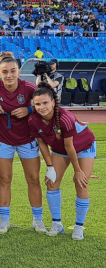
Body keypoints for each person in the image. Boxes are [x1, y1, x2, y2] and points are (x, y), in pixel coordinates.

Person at [0, 52, 45, 234]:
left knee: (33, 179)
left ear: (19, 71)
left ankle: (38, 220)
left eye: (13, 71)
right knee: (4, 179)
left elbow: (45, 102)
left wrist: (29, 109)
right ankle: (4, 221)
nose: (9, 75)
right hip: (3, 141)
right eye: (5, 72)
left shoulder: (29, 88)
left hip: (27, 140)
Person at [30, 82, 97, 240]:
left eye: (45, 103)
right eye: (38, 104)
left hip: (84, 147)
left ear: (53, 102)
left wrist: (78, 171)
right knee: (51, 183)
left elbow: (70, 147)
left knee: (80, 183)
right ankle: (57, 224)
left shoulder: (65, 118)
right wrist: (50, 167)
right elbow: (42, 144)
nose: (42, 107)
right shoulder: (33, 120)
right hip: (59, 150)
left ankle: (79, 227)